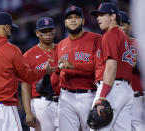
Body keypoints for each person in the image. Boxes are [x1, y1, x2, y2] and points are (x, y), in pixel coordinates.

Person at [90, 2, 135, 130]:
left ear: (113, 16)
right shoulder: (126, 39)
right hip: (126, 90)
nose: (98, 18)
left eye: (102, 15)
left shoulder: (110, 35)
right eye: (97, 15)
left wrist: (103, 96)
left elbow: (111, 67)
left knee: (96, 127)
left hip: (112, 90)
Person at [56, 6, 101, 131]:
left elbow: (98, 66)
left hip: (88, 95)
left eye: (77, 17)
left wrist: (72, 65)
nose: (73, 20)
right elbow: (58, 72)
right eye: (69, 18)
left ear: (83, 21)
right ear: (65, 22)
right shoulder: (61, 45)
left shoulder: (96, 39)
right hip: (65, 96)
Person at [21, 17, 60, 131]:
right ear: (37, 33)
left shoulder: (63, 49)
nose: (47, 33)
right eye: (44, 31)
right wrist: (28, 112)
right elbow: (25, 85)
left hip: (63, 101)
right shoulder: (28, 56)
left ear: (54, 30)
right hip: (41, 104)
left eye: (49, 30)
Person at [119, 11, 145, 131]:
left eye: (123, 24)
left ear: (130, 26)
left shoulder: (138, 44)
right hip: (117, 97)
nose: (121, 27)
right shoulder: (107, 44)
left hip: (137, 97)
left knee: (139, 127)